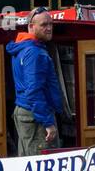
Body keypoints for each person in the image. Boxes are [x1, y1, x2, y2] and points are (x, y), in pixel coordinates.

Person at [7, 8, 64, 156]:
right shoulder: (35, 53)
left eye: (51, 24)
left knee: (26, 159)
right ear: (31, 26)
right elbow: (34, 90)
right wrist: (48, 122)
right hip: (36, 116)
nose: (49, 28)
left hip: (25, 111)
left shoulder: (22, 49)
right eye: (44, 25)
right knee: (43, 164)